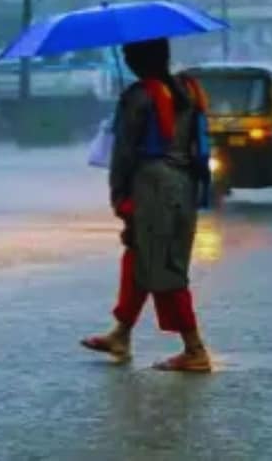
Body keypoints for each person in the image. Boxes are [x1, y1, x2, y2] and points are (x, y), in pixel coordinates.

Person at [81, 38, 213, 373]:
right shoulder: (189, 90)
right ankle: (121, 334)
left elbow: (123, 153)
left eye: (129, 55)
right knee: (142, 257)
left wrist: (119, 196)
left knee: (164, 266)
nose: (126, 59)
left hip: (152, 188)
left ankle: (194, 348)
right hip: (184, 185)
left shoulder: (138, 97)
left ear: (138, 61)